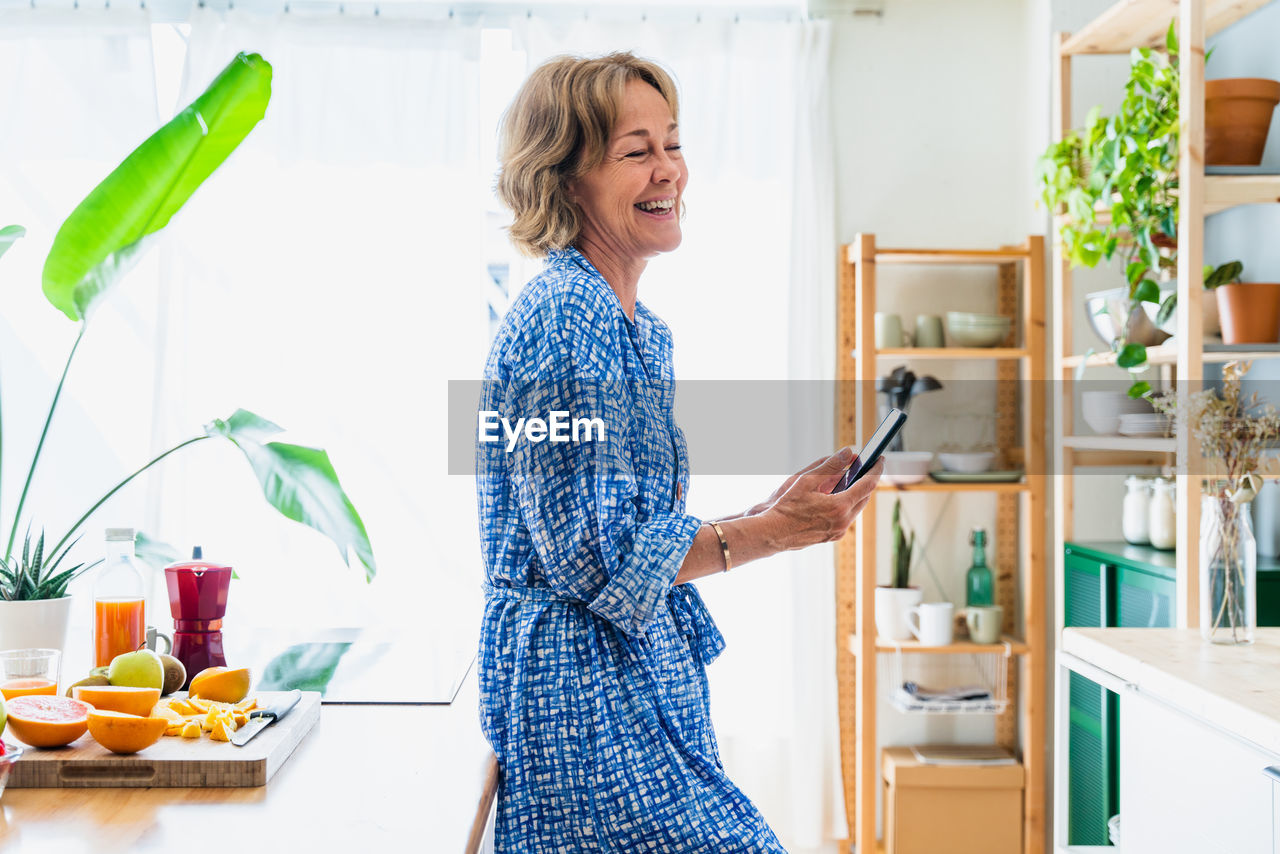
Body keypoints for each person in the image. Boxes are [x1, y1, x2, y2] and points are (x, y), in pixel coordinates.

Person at [475, 52, 881, 851]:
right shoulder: (565, 318)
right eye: (636, 151)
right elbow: (595, 563)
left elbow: (624, 527)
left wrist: (771, 511)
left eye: (673, 142)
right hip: (582, 702)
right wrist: (774, 533)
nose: (670, 171)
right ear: (564, 180)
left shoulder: (634, 329)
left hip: (628, 686)